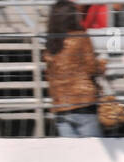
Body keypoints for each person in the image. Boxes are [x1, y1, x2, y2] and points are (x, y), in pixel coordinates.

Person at [44, 0, 106, 136]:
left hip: (60, 106)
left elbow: (48, 74)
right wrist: (102, 65)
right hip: (83, 103)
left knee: (72, 153)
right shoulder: (81, 37)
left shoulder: (51, 43)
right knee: (93, 151)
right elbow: (91, 68)